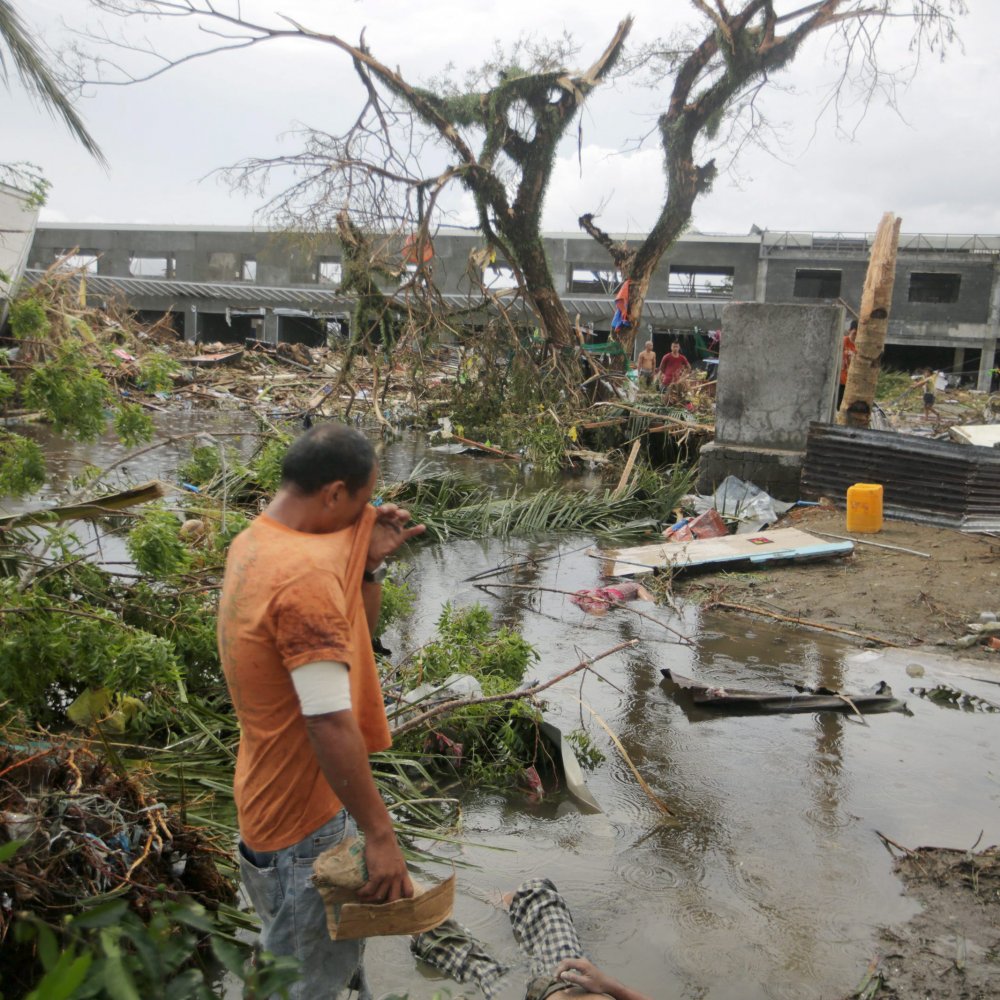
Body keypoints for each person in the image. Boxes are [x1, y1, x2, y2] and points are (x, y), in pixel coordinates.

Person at [217, 423, 425, 999]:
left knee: (289, 961)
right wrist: (379, 834)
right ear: (334, 494)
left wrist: (367, 566)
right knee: (303, 987)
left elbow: (355, 636)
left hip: (263, 809)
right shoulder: (303, 580)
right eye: (362, 503)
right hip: (304, 830)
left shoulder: (258, 541)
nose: (366, 516)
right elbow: (327, 720)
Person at [411, 878, 653, 1000]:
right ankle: (508, 906)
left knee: (437, 935)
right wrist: (611, 986)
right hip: (568, 983)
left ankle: (402, 898)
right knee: (537, 889)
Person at [838, 319, 858, 408]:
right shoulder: (843, 341)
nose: (855, 336)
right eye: (854, 333)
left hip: (849, 382)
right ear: (849, 331)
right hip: (839, 380)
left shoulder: (858, 346)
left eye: (858, 334)